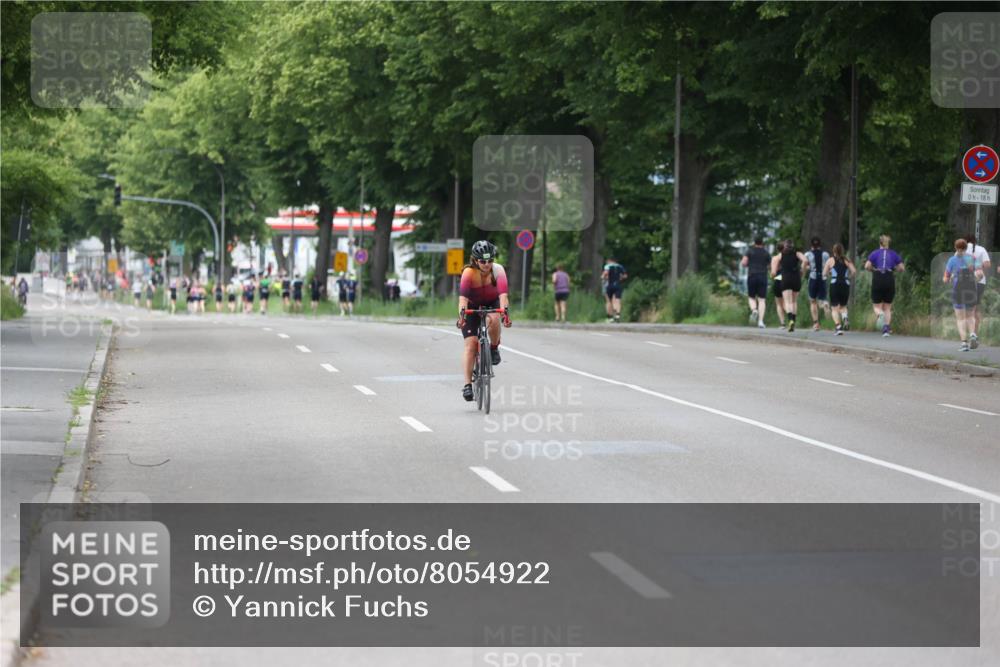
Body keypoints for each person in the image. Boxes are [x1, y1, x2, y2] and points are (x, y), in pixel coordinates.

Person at [456, 240, 511, 402]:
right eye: (482, 261)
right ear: (475, 260)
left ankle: (493, 348)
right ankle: (467, 385)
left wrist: (505, 315)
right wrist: (462, 316)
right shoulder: (468, 273)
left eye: (490, 260)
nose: (487, 264)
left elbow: (503, 296)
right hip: (472, 306)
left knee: (494, 318)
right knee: (471, 344)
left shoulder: (498, 270)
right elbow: (463, 299)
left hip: (491, 302)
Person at [944, 238, 984, 352]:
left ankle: (964, 344)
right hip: (971, 288)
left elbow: (945, 278)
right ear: (966, 248)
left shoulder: (952, 260)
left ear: (955, 248)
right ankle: (972, 334)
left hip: (958, 289)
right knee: (970, 315)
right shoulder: (972, 258)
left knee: (960, 319)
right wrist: (976, 276)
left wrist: (950, 278)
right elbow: (980, 274)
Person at [864, 234, 905, 337]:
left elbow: (867, 266)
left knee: (876, 305)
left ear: (880, 243)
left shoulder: (874, 253)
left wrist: (873, 270)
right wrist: (895, 269)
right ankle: (886, 329)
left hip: (878, 277)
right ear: (888, 243)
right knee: (887, 307)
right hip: (889, 277)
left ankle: (880, 314)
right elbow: (902, 268)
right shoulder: (893, 254)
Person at [963, 234, 991, 349]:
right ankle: (974, 334)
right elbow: (987, 265)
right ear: (975, 241)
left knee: (968, 309)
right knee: (975, 308)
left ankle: (971, 335)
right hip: (980, 281)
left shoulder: (962, 250)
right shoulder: (981, 249)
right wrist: (979, 267)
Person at [822, 243, 856, 335]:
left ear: (833, 251)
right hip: (845, 283)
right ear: (842, 251)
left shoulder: (830, 260)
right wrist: (848, 276)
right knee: (843, 306)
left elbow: (824, 273)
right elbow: (854, 271)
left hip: (835, 284)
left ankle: (838, 327)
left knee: (834, 308)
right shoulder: (846, 260)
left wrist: (830, 273)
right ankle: (845, 318)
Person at [775, 239, 808, 332]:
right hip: (796, 278)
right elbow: (805, 260)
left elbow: (774, 269)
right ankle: (793, 320)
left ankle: (790, 320)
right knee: (794, 301)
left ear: (784, 247)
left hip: (785, 278)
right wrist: (802, 270)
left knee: (788, 301)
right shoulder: (797, 254)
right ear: (792, 246)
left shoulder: (780, 255)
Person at [741, 236, 770, 329]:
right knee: (762, 299)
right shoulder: (766, 253)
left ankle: (754, 310)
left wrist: (749, 264)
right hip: (763, 276)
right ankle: (761, 321)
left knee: (751, 297)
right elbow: (770, 266)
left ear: (754, 243)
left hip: (752, 275)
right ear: (762, 243)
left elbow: (744, 263)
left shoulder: (749, 251)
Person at [806, 236, 831, 331]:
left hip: (813, 278)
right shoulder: (825, 254)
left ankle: (816, 324)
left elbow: (806, 265)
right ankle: (824, 304)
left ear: (811, 245)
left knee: (812, 301)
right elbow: (828, 267)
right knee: (823, 299)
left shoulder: (808, 254)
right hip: (823, 278)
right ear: (820, 244)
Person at [602, 256, 628, 322]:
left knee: (608, 301)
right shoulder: (620, 266)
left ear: (609, 260)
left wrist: (603, 277)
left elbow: (605, 273)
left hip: (609, 285)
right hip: (618, 285)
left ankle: (609, 317)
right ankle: (617, 315)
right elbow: (625, 276)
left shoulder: (608, 266)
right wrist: (620, 279)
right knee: (617, 300)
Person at [770, 248, 786, 328]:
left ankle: (782, 323)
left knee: (779, 303)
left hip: (779, 278)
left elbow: (773, 272)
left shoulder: (775, 258)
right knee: (789, 301)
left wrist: (772, 276)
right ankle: (791, 318)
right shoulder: (791, 257)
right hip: (789, 278)